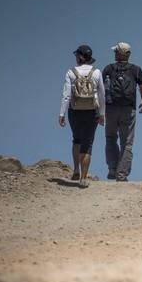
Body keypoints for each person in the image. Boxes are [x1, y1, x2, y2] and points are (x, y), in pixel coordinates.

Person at [59, 44, 105, 188]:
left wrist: (62, 113)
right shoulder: (97, 72)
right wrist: (102, 114)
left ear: (80, 57)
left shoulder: (71, 72)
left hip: (75, 111)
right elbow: (102, 94)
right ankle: (84, 178)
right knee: (88, 143)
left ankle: (76, 170)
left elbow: (66, 95)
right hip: (92, 111)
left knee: (76, 139)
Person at [103, 41, 142, 181]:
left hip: (110, 109)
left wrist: (99, 110)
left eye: (115, 51)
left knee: (110, 138)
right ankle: (121, 174)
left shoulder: (108, 69)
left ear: (118, 53)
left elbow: (100, 90)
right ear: (128, 54)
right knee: (127, 143)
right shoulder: (136, 69)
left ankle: (112, 168)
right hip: (128, 110)